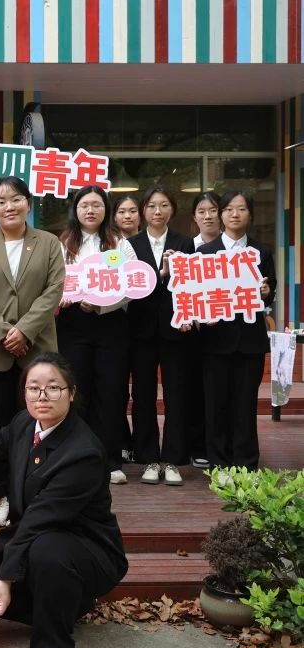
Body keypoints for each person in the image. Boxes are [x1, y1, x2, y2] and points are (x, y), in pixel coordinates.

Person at [0, 353, 127, 648]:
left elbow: (39, 519)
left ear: (71, 393)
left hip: (85, 548)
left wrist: (7, 576)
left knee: (46, 551)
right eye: (33, 388)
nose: (42, 396)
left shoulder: (83, 452)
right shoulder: (25, 424)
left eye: (53, 388)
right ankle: (67, 604)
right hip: (38, 535)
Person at [0, 176, 65, 527]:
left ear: (28, 203)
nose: (9, 206)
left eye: (16, 199)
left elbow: (53, 290)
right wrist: (4, 332)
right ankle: (1, 496)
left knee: (40, 423)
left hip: (36, 350)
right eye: (1, 201)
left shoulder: (48, 243)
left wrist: (24, 330)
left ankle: (37, 494)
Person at [57, 186, 136, 485]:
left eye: (97, 205)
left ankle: (110, 459)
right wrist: (62, 298)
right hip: (72, 324)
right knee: (77, 390)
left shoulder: (120, 244)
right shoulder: (63, 244)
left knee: (111, 390)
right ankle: (77, 457)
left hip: (110, 324)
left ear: (106, 210)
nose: (90, 211)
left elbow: (132, 286)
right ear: (75, 210)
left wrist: (103, 304)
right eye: (84, 205)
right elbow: (54, 281)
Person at [199, 191, 275, 470]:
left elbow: (270, 292)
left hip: (250, 342)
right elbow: (195, 294)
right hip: (214, 341)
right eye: (229, 209)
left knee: (245, 405)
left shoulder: (261, 252)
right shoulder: (205, 253)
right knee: (216, 405)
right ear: (221, 214)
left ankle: (246, 463)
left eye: (241, 209)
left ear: (250, 215)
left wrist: (266, 293)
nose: (234, 214)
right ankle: (218, 463)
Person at [127, 186, 194, 486]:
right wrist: (161, 274)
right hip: (140, 329)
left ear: (172, 210)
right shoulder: (130, 245)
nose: (158, 211)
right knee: (142, 394)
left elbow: (191, 286)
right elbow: (128, 287)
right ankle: (148, 458)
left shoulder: (185, 243)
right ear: (143, 210)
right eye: (152, 205)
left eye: (164, 205)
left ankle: (173, 458)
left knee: (176, 393)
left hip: (176, 328)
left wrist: (189, 315)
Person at [186, 192, 222, 469]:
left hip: (225, 332)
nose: (208, 216)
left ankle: (221, 446)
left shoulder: (235, 250)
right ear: (194, 216)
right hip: (195, 332)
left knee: (220, 392)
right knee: (196, 389)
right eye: (201, 211)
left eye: (213, 210)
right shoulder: (188, 248)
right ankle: (198, 446)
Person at [110, 194, 140, 465]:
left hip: (141, 326)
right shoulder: (109, 243)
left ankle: (138, 444)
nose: (127, 216)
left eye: (132, 211)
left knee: (138, 390)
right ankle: (121, 441)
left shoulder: (141, 245)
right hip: (112, 323)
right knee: (116, 389)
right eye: (122, 211)